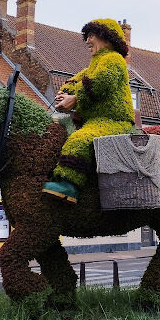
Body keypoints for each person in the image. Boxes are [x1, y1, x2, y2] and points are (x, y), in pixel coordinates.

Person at [42, 18, 134, 203]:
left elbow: (101, 83)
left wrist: (75, 99)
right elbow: (77, 81)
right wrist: (65, 94)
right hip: (92, 121)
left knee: (80, 139)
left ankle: (68, 185)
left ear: (106, 37)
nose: (87, 41)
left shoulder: (113, 60)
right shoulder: (95, 64)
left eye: (91, 36)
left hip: (114, 122)